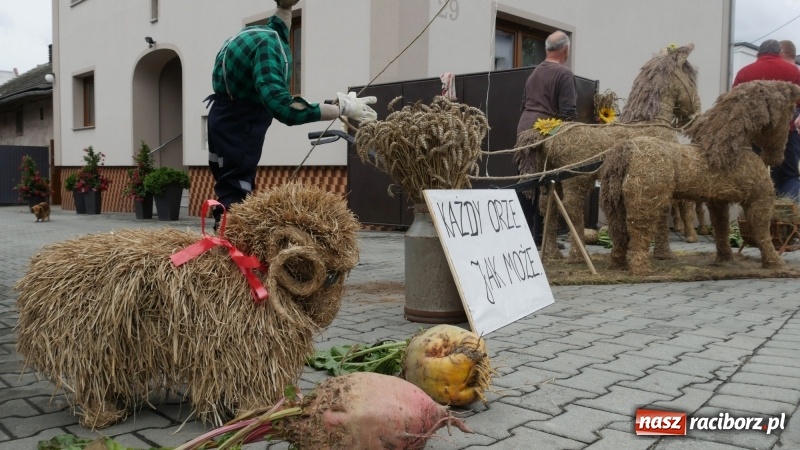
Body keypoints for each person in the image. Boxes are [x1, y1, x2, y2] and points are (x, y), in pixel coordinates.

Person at [206, 0, 377, 230]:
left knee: (229, 183)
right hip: (240, 122)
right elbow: (283, 107)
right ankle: (230, 245)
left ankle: (226, 232)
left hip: (221, 117)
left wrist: (285, 7)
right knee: (235, 191)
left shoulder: (257, 32)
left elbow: (281, 20)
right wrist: (340, 109)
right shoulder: (268, 45)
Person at [516, 30, 577, 246]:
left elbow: (523, 105)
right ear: (565, 49)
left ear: (546, 49)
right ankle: (539, 238)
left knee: (526, 186)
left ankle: (527, 238)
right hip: (544, 134)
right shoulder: (564, 74)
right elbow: (568, 112)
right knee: (544, 186)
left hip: (524, 132)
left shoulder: (534, 73)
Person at [733, 39, 800, 203]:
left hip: (755, 135)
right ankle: (786, 217)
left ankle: (756, 216)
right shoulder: (793, 71)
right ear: (779, 53)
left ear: (758, 54)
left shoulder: (744, 73)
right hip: (784, 135)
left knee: (756, 174)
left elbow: (734, 103)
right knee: (788, 176)